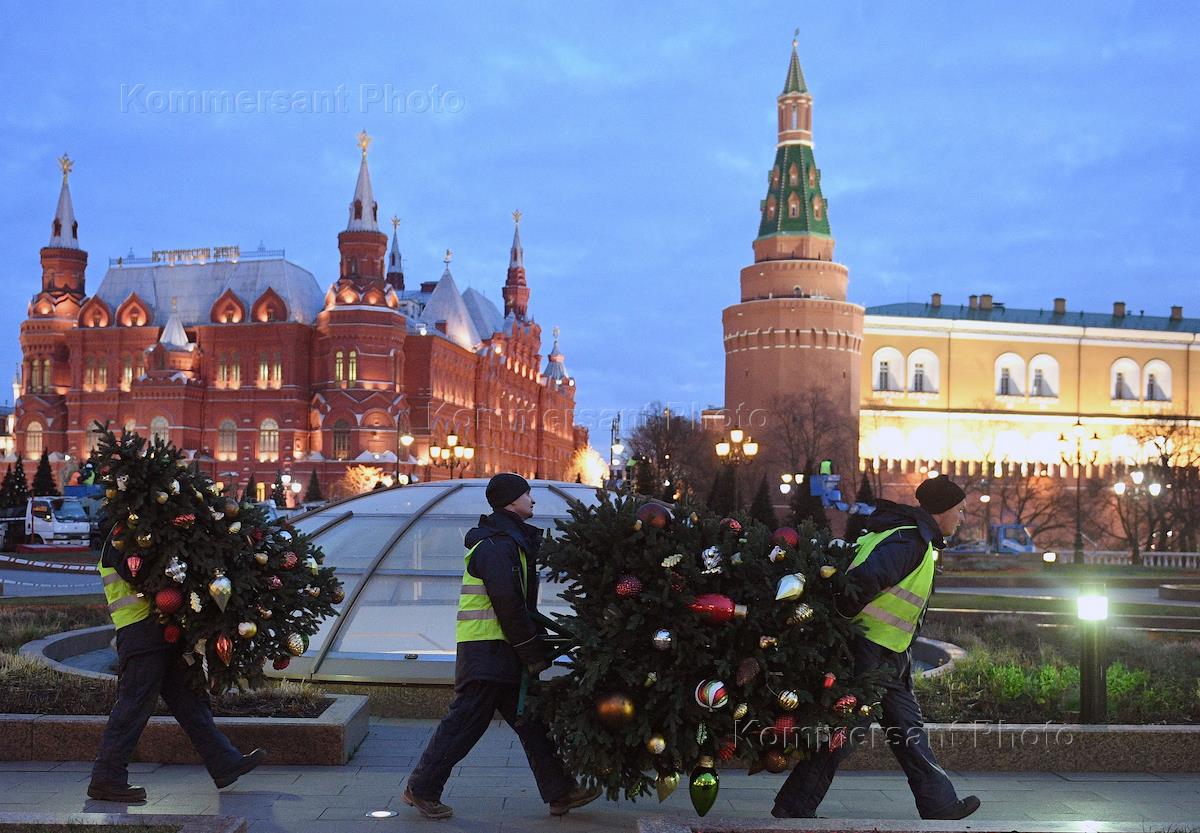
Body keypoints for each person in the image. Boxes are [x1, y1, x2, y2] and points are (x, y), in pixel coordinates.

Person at [772, 475, 981, 821]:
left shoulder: (902, 536)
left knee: (908, 732)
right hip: (871, 653)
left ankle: (940, 804)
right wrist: (846, 622)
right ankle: (795, 804)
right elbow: (862, 581)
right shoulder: (909, 542)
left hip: (889, 653)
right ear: (942, 511)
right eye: (959, 510)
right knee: (846, 733)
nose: (962, 517)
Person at [404, 473, 601, 819]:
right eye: (527, 494)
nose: (533, 500)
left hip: (500, 649)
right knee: (465, 724)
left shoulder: (509, 542)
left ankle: (561, 792)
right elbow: (507, 604)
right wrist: (531, 651)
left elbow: (519, 605)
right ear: (511, 501)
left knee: (531, 722)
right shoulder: (496, 546)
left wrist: (530, 646)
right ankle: (421, 789)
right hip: (487, 651)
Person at [89, 536, 266, 803]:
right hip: (139, 631)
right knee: (134, 705)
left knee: (190, 701)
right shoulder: (122, 536)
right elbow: (138, 575)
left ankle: (224, 762)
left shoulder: (144, 530)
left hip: (163, 629)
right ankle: (106, 778)